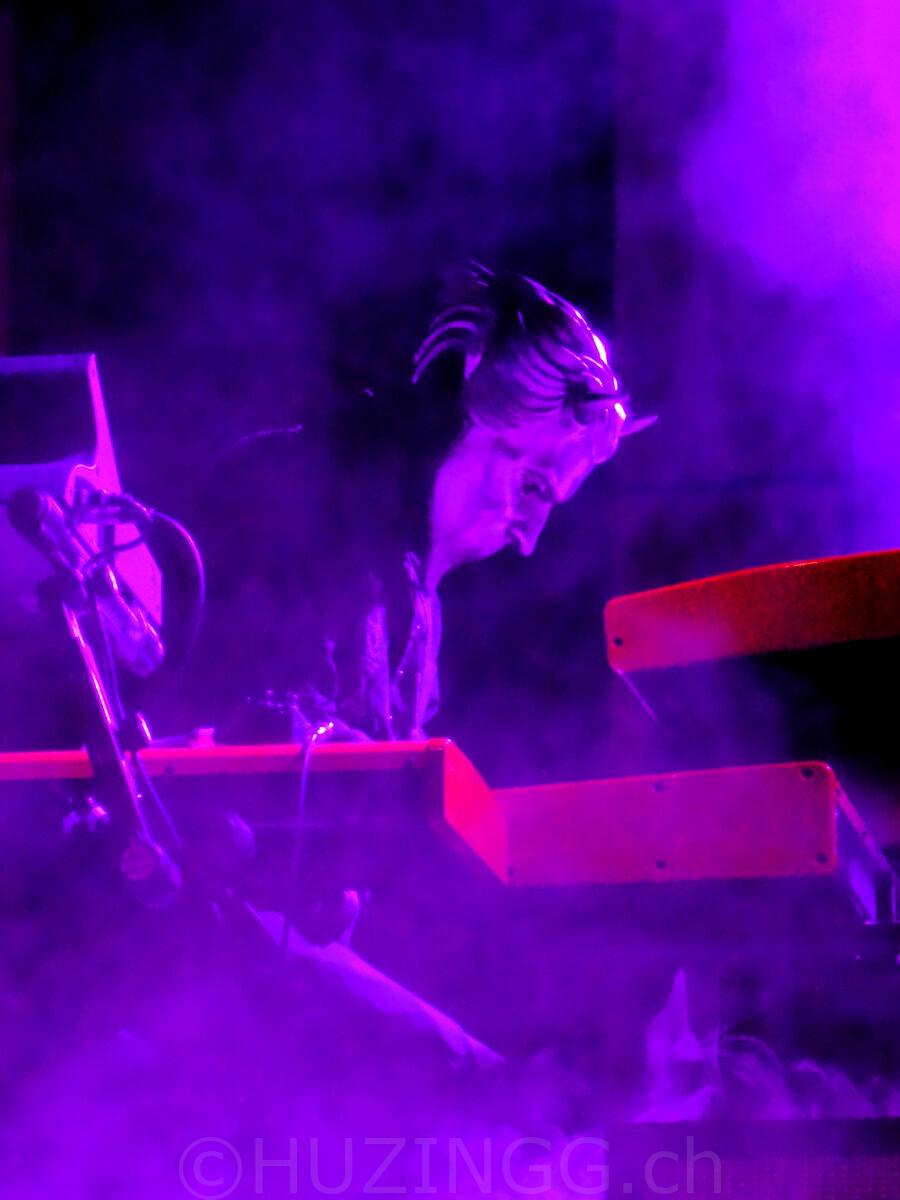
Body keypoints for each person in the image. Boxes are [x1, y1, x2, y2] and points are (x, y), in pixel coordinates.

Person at [185, 262, 654, 744]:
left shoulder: (415, 593)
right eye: (532, 487)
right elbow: (233, 736)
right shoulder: (278, 495)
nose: (529, 539)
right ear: (462, 419)